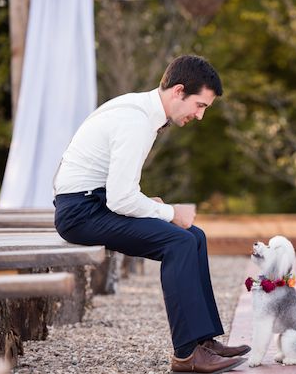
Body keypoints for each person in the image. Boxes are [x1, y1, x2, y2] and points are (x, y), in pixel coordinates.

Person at [53, 55, 250, 373]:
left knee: (193, 236)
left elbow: (119, 189)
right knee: (179, 243)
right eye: (199, 105)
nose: (199, 116)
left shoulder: (140, 110)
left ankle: (203, 340)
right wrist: (169, 212)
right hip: (81, 213)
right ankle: (187, 355)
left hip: (94, 202)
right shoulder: (137, 121)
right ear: (179, 91)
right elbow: (121, 199)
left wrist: (153, 207)